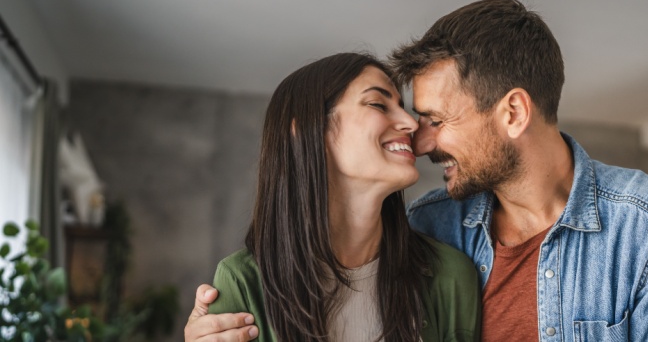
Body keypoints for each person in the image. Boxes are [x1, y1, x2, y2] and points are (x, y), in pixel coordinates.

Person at [186, 0, 648, 341]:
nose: (418, 139)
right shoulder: (427, 227)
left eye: (435, 119)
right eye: (399, 111)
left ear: (512, 112)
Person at [188, 52, 480, 342]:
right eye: (378, 104)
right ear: (305, 129)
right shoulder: (240, 280)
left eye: (402, 107)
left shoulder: (450, 276)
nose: (412, 123)